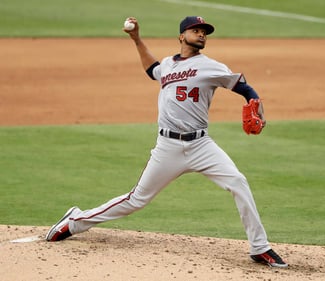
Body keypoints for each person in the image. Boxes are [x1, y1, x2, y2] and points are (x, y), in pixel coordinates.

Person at [46, 16, 288, 268]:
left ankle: (259, 247)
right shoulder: (168, 64)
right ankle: (74, 221)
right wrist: (136, 38)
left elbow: (244, 88)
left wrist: (256, 105)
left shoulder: (212, 66)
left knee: (238, 181)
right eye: (196, 30)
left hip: (201, 145)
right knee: (136, 200)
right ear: (182, 36)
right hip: (168, 147)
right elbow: (152, 70)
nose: (202, 34)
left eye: (204, 31)